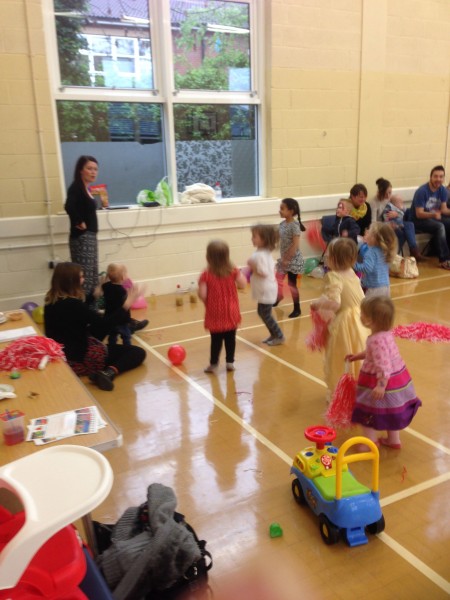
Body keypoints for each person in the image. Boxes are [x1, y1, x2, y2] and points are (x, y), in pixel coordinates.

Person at [44, 262, 146, 391]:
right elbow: (103, 324)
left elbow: (77, 312)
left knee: (97, 327)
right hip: (79, 358)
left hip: (60, 354)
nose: (83, 280)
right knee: (137, 352)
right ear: (71, 281)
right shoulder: (75, 305)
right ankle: (109, 372)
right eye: (81, 277)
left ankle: (128, 329)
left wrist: (94, 296)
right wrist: (126, 305)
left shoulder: (50, 302)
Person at [348, 296, 422, 449]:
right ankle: (394, 440)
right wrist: (357, 356)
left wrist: (381, 386)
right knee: (390, 411)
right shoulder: (386, 334)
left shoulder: (376, 340)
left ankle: (370, 442)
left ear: (369, 320)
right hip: (396, 379)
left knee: (367, 411)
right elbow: (375, 354)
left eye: (363, 313)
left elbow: (383, 365)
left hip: (378, 381)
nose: (360, 315)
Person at [311, 238, 369, 398]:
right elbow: (360, 297)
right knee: (358, 351)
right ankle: (359, 387)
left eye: (328, 254)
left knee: (341, 356)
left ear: (334, 259)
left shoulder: (334, 276)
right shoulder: (352, 272)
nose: (326, 256)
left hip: (345, 322)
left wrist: (318, 304)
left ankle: (343, 392)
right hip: (360, 318)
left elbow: (335, 303)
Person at [198, 240, 247, 373]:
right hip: (231, 311)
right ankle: (230, 362)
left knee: (216, 341)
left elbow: (202, 294)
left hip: (215, 313)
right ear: (227, 256)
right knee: (231, 339)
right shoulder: (233, 271)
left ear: (208, 257)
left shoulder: (205, 275)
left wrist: (204, 298)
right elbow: (243, 284)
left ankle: (214, 364)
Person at [65, 156, 100, 297]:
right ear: (81, 170)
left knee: (92, 276)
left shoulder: (86, 189)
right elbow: (69, 206)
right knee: (84, 278)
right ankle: (82, 307)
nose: (93, 172)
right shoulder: (76, 188)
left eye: (95, 169)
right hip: (82, 238)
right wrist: (79, 221)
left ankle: (92, 308)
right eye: (89, 168)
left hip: (90, 237)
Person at [248, 224, 285, 346]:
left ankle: (279, 335)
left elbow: (263, 273)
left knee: (265, 314)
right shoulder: (261, 252)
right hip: (265, 289)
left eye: (254, 236)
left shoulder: (261, 255)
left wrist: (252, 266)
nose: (252, 239)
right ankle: (274, 334)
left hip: (266, 289)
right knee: (262, 312)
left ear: (263, 240)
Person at [373, 178, 425, 261]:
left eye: (390, 192)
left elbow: (401, 208)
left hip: (394, 221)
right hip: (382, 226)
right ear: (380, 192)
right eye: (386, 193)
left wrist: (397, 213)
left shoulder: (389, 198)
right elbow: (373, 223)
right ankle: (393, 255)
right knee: (401, 233)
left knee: (409, 224)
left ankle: (414, 250)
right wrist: (387, 225)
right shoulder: (374, 203)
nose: (388, 196)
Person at [411, 165, 450, 270]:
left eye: (441, 177)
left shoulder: (443, 190)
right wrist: (433, 214)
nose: (438, 179)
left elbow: (444, 209)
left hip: (433, 217)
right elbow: (419, 213)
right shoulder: (422, 191)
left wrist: (437, 214)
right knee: (440, 226)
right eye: (436, 176)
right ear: (431, 177)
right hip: (418, 220)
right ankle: (444, 260)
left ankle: (444, 253)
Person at [102, 263, 149, 346]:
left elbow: (105, 284)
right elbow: (128, 303)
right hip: (122, 320)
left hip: (110, 318)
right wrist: (138, 294)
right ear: (123, 277)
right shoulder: (122, 291)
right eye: (125, 273)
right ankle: (127, 349)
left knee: (112, 336)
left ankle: (111, 348)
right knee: (126, 336)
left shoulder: (106, 286)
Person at [274, 198, 305, 318]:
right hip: (284, 259)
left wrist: (287, 259)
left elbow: (295, 245)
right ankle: (279, 296)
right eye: (280, 208)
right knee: (278, 279)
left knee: (292, 284)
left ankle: (297, 308)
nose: (280, 211)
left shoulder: (294, 226)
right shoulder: (282, 224)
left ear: (291, 211)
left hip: (293, 260)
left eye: (282, 209)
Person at [354, 222, 397, 298]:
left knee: (369, 306)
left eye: (369, 232)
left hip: (374, 288)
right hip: (385, 286)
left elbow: (367, 268)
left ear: (374, 238)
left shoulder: (371, 252)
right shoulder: (384, 250)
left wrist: (353, 264)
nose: (366, 232)